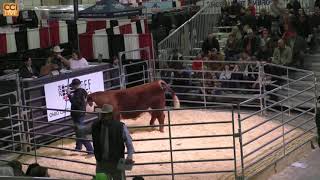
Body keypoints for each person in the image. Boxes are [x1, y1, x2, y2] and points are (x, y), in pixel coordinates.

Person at [92, 104, 134, 180]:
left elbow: (129, 143)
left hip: (117, 162)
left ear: (111, 115)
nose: (104, 117)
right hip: (101, 162)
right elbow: (84, 131)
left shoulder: (120, 126)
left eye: (106, 115)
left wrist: (130, 156)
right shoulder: (96, 126)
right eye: (103, 114)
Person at [67, 78, 94, 154]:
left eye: (72, 85)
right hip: (80, 113)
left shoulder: (78, 93)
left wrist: (69, 95)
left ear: (75, 85)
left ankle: (90, 150)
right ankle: (78, 147)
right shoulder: (82, 91)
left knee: (80, 132)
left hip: (77, 114)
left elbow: (75, 103)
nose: (72, 87)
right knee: (78, 130)